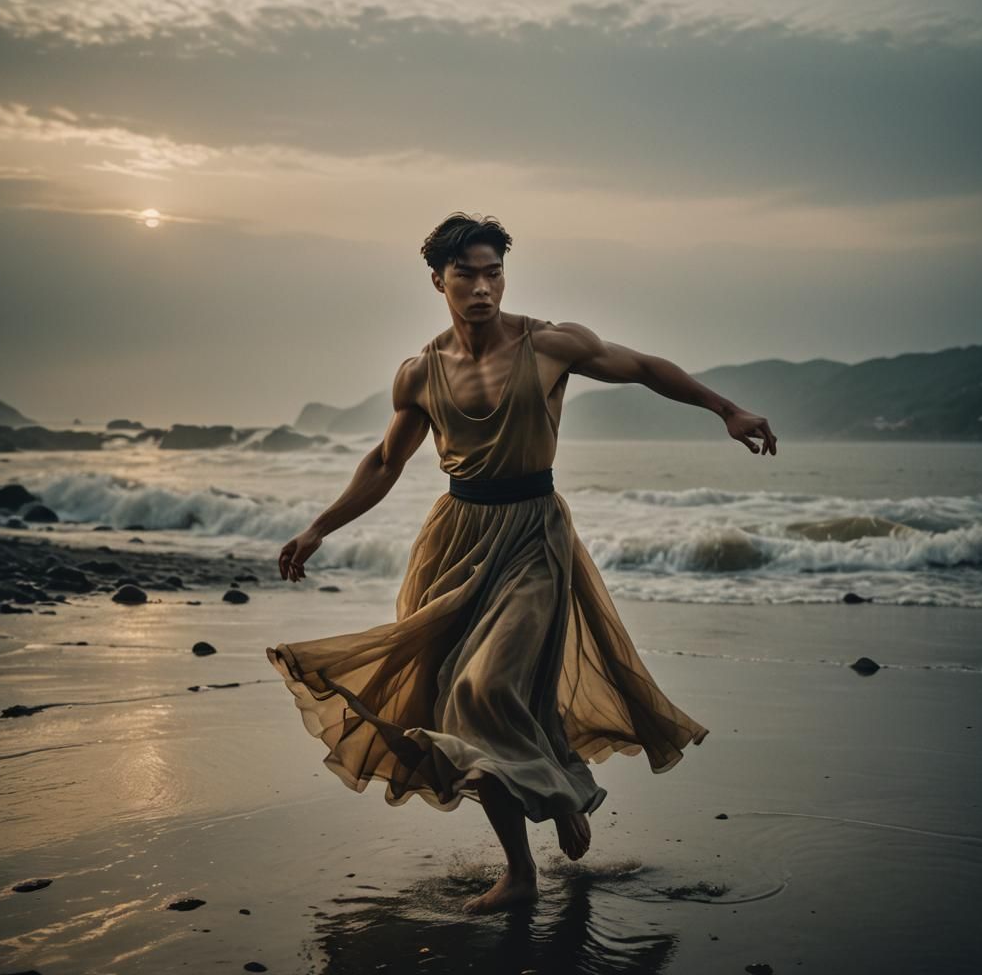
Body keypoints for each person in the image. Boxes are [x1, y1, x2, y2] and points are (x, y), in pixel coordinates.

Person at [267, 211, 778, 915]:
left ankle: (551, 804)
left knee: (485, 688)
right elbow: (385, 462)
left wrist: (726, 409)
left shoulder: (551, 344)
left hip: (534, 536)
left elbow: (642, 368)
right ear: (438, 282)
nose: (483, 288)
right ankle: (524, 865)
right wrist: (319, 527)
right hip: (454, 542)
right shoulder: (419, 373)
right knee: (455, 704)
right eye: (466, 275)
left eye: (494, 273)